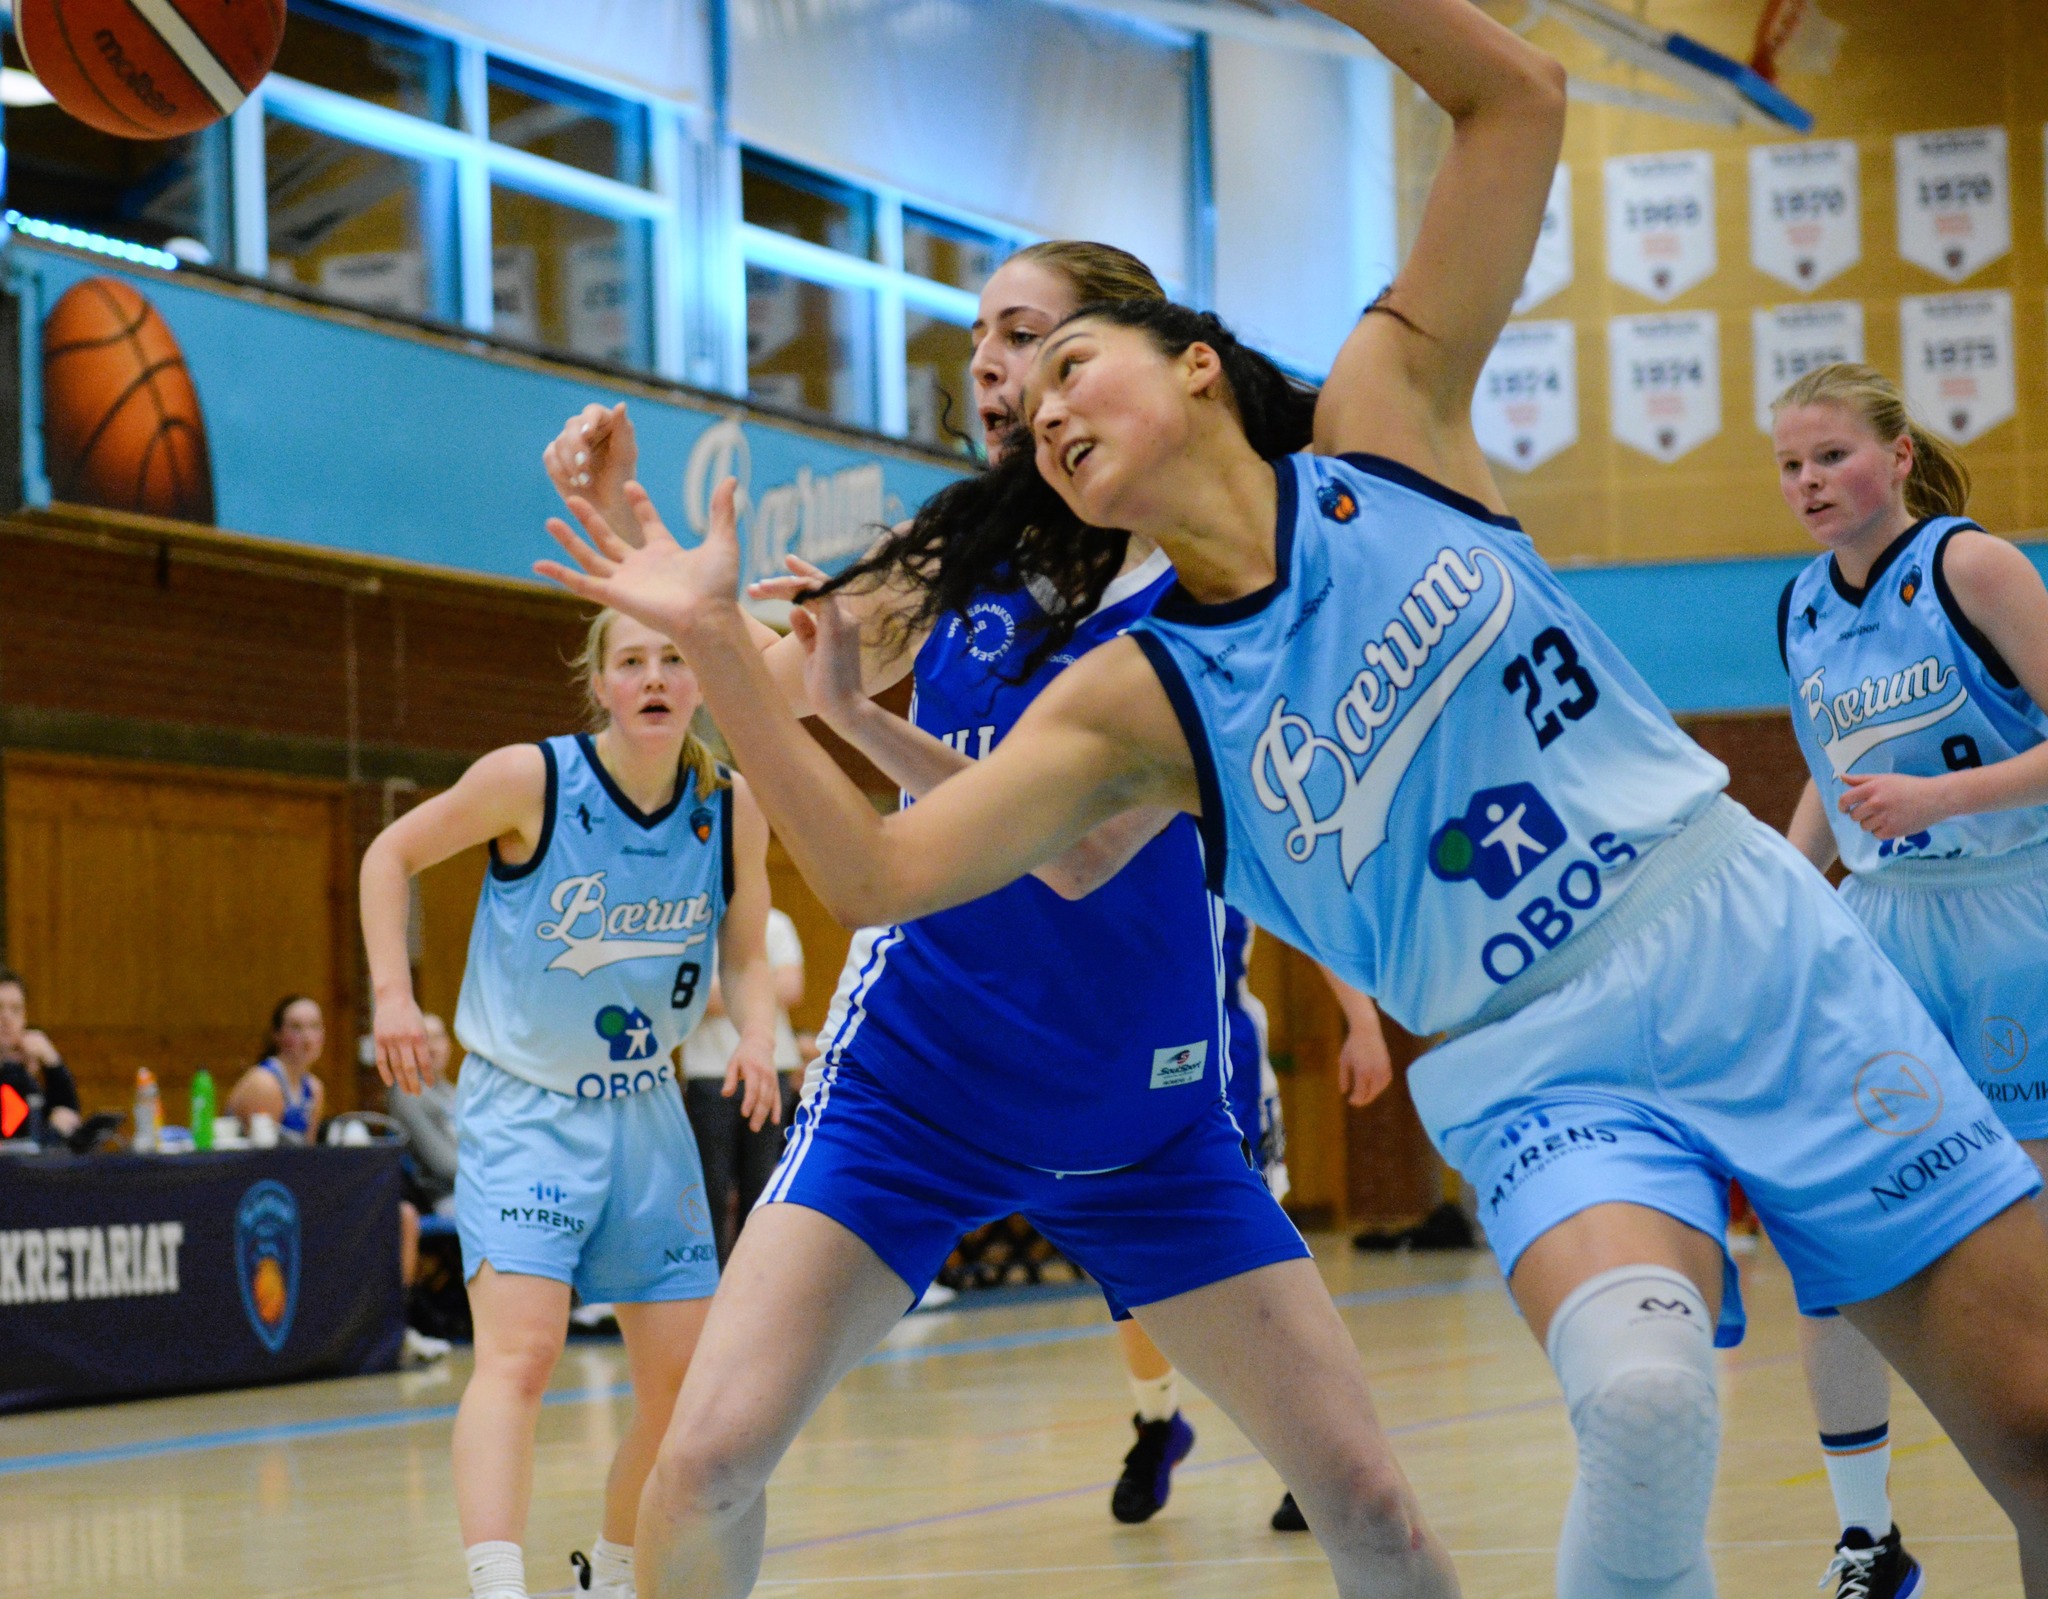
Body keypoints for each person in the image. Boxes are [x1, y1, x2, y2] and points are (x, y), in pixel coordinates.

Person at [540, 1, 2048, 1593]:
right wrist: (718, 641)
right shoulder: (1128, 689)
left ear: (1196, 359)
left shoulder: (1385, 424)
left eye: (1065, 356)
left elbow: (1516, 98)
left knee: (2024, 1421)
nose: (1039, 403)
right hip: (1500, 1044)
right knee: (1647, 1396)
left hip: (1710, 938)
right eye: (1023, 406)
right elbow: (880, 865)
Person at [539, 236, 1459, 1599]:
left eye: (1026, 335)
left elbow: (1080, 850)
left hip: (1149, 1119)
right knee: (711, 1454)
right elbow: (754, 698)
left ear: (1136, 357)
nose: (988, 364)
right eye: (977, 339)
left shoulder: (1232, 593)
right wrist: (664, 587)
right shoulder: (954, 556)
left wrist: (850, 717)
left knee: (1371, 1502)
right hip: (916, 1087)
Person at [360, 608, 782, 1599]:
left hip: (647, 1110)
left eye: (674, 659)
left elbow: (748, 954)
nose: (654, 677)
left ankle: (613, 1574)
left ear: (699, 681)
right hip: (524, 1108)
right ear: (598, 683)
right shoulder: (533, 779)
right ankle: (498, 1588)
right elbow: (388, 855)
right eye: (631, 661)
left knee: (682, 1386)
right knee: (521, 1354)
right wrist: (391, 995)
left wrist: (758, 1036)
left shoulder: (730, 806)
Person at [1772, 360, 2048, 1598]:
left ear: (1893, 454)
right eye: (1788, 465)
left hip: (2011, 914)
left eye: (1829, 455)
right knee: (1832, 1227)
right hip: (1877, 928)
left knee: (2024, 1252)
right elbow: (1833, 775)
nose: (1807, 481)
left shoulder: (1970, 568)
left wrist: (1942, 797)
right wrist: (1781, 884)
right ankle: (1864, 1536)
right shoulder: (1798, 606)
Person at [1113, 913, 1395, 1532]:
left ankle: (1315, 1452)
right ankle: (1157, 1423)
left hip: (1222, 1062)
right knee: (1129, 1271)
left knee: (1263, 1269)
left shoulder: (1227, 848)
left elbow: (1310, 915)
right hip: (1121, 1060)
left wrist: (1364, 1023)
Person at [681, 906, 806, 1264]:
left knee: (764, 1183)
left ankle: (758, 1273)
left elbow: (792, 988)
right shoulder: (691, 921)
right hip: (709, 1074)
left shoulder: (775, 922)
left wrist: (728, 990)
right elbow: (688, 999)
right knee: (710, 1187)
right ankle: (711, 1280)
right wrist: (755, 989)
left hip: (770, 1069)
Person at [387, 1012, 460, 1213]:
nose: (433, 1046)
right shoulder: (408, 1092)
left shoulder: (452, 1092)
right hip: (442, 1197)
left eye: (438, 1037)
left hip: (475, 1187)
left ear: (449, 1044)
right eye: (423, 1039)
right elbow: (444, 1166)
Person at [228, 994, 326, 1140]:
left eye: (315, 1026)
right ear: (277, 1034)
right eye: (296, 1027)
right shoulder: (264, 1084)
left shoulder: (314, 1088)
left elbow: (308, 1149)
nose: (307, 1038)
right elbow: (262, 1150)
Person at [0, 967, 80, 1143]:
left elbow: (68, 1116)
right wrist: (55, 1132)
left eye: (15, 1009)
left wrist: (52, 1061)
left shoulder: (17, 1072)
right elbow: (15, 1142)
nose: (6, 1018)